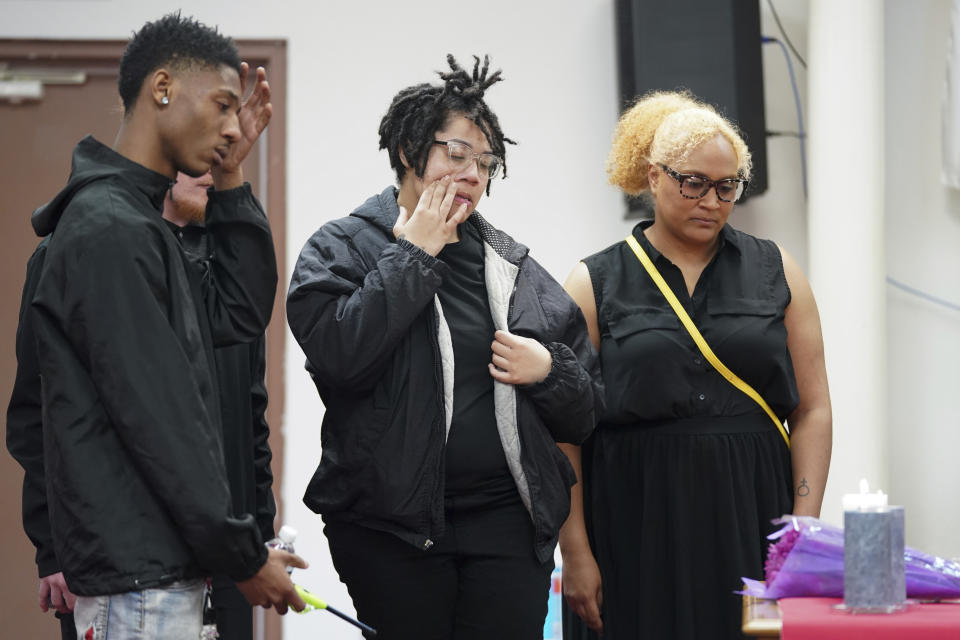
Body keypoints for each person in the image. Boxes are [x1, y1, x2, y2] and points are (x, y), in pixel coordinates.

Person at [286, 54, 604, 639]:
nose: (474, 175)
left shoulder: (510, 265)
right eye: (457, 155)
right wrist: (413, 254)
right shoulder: (341, 248)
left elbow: (586, 412)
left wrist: (548, 372)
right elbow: (341, 357)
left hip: (507, 526)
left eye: (485, 163)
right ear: (410, 152)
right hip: (391, 532)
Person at [20, 13, 305, 638]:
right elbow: (162, 419)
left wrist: (230, 175)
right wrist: (243, 554)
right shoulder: (109, 230)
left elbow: (237, 314)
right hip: (137, 575)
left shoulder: (137, 224)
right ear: (164, 87)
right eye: (224, 105)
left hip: (160, 569)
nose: (235, 128)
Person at [559, 91, 832, 639]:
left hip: (750, 507)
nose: (712, 200)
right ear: (654, 176)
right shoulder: (594, 281)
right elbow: (563, 429)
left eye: (727, 186)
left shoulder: (777, 269)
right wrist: (577, 552)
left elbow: (813, 408)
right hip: (634, 512)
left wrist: (802, 528)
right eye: (694, 183)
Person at [162, 171, 278, 640]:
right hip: (139, 552)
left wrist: (262, 537)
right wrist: (54, 551)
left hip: (232, 546)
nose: (211, 173)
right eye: (196, 159)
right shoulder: (116, 255)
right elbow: (47, 416)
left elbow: (253, 415)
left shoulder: (233, 280)